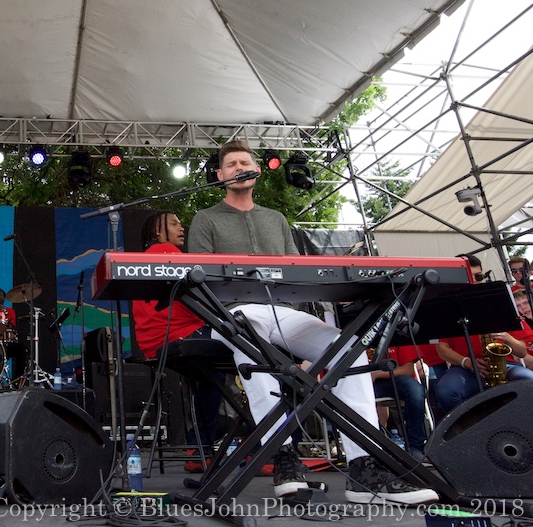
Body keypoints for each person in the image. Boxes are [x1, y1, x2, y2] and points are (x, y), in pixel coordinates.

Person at [185, 139, 437, 504]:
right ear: (221, 175)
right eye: (232, 163)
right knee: (251, 344)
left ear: (256, 170)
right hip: (236, 313)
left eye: (245, 161)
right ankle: (284, 457)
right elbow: (202, 279)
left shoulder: (276, 219)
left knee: (348, 348)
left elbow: (298, 274)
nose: (240, 167)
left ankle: (363, 465)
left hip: (284, 313)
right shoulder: (206, 219)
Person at [132, 211, 226, 473]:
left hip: (154, 343)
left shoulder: (140, 262)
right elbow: (204, 300)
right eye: (174, 223)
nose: (181, 227)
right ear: (157, 233)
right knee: (250, 357)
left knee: (209, 378)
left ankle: (200, 448)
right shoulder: (169, 255)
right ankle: (260, 449)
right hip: (183, 335)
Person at [371, 345, 428, 462]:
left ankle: (415, 447)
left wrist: (376, 374)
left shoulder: (397, 332)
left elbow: (408, 369)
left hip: (394, 379)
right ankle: (365, 449)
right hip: (359, 380)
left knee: (415, 391)